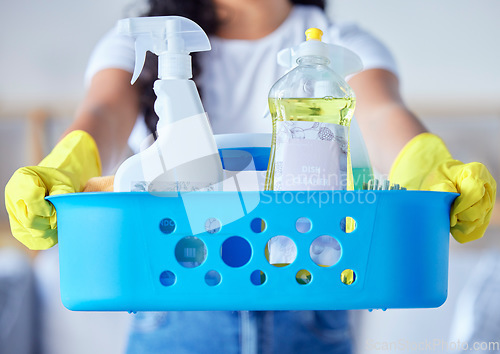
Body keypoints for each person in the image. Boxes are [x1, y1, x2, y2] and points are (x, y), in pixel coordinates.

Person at [4, 0, 496, 353]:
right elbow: (105, 112)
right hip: (173, 303)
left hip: (311, 297)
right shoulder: (147, 36)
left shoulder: (336, 43)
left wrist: (427, 163)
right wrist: (66, 165)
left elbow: (382, 113)